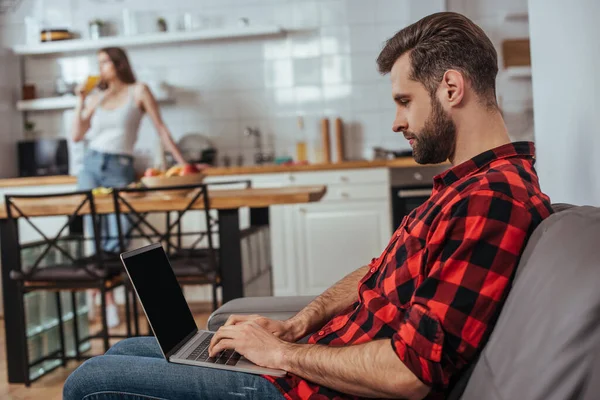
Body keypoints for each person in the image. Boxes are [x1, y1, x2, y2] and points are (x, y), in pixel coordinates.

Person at [63, 12, 553, 400]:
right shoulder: (466, 187)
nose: (396, 121)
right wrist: (298, 326)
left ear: (450, 88)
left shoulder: (491, 199)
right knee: (125, 350)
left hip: (305, 389)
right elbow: (377, 271)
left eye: (404, 101)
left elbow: (410, 372)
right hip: (308, 364)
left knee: (90, 380)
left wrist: (281, 353)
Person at [71, 47, 187, 328]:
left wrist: (184, 164)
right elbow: (77, 135)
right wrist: (81, 100)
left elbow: (161, 129)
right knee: (93, 236)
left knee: (118, 233)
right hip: (90, 166)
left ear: (119, 64)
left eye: (106, 62)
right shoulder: (97, 97)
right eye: (98, 63)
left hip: (119, 167)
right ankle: (107, 300)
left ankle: (105, 296)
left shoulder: (139, 91)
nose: (101, 68)